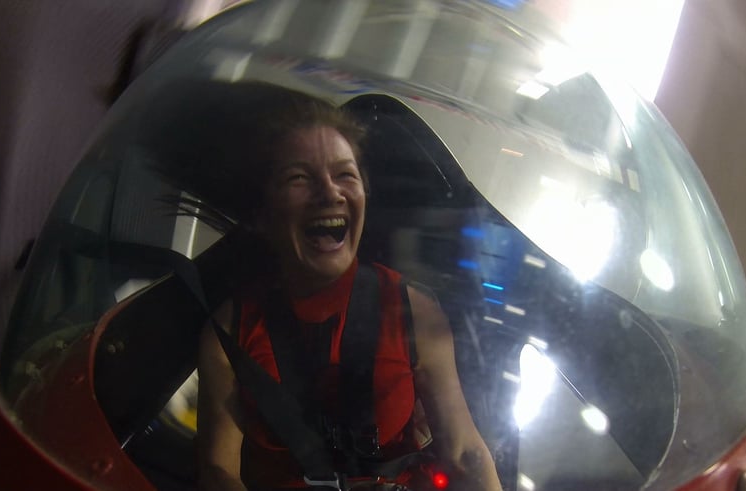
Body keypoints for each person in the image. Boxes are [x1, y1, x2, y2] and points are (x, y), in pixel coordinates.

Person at [156, 80, 502, 491]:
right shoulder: (228, 334)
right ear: (262, 215)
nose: (330, 193)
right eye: (299, 178)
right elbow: (218, 471)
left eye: (345, 175)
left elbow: (465, 453)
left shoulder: (415, 313)